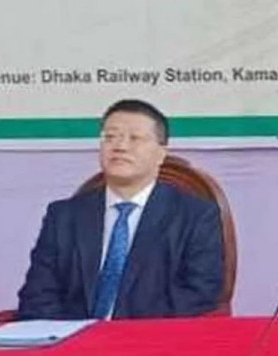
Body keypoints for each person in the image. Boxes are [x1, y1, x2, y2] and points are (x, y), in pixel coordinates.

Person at [17, 99, 224, 319]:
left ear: (161, 153)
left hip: (151, 343)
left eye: (135, 138)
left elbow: (199, 294)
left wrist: (117, 333)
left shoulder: (195, 216)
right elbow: (38, 296)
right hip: (73, 344)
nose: (120, 146)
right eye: (110, 137)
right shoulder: (64, 217)